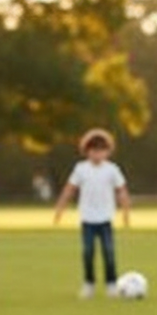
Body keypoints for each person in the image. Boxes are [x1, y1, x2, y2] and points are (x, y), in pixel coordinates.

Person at [53, 128, 131, 299]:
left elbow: (121, 191)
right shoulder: (81, 169)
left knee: (109, 252)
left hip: (105, 219)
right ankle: (89, 283)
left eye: (101, 150)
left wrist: (126, 212)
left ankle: (111, 283)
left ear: (107, 152)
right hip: (88, 219)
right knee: (88, 252)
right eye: (93, 150)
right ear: (86, 151)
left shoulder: (112, 170)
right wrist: (60, 209)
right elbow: (69, 189)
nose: (97, 154)